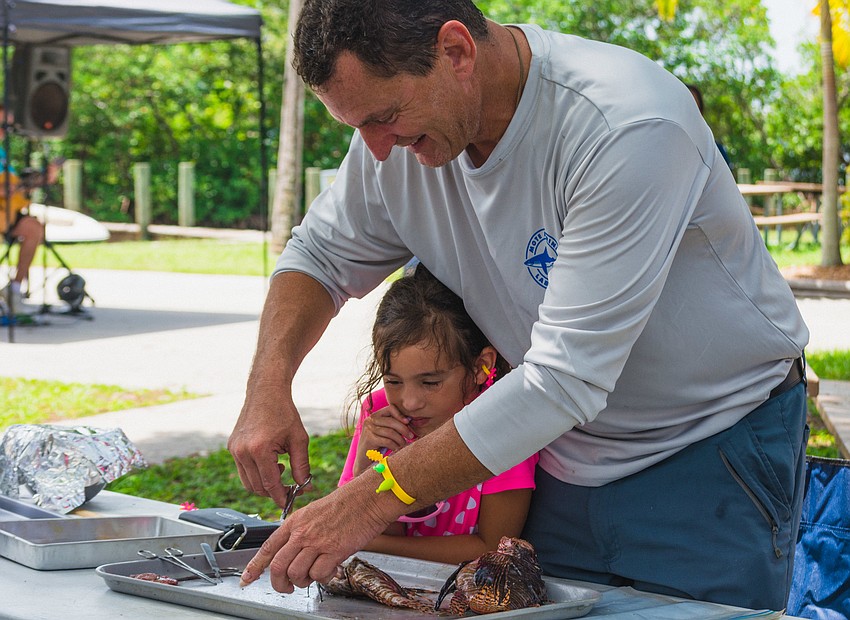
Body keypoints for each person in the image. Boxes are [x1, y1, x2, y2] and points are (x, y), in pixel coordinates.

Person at [231, 0, 809, 611]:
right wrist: (267, 388)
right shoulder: (393, 145)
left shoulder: (625, 123)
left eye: (385, 116)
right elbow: (319, 256)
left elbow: (565, 378)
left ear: (456, 51)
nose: (376, 150)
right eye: (359, 127)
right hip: (553, 456)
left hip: (708, 449)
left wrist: (373, 497)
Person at [339, 263, 538, 564]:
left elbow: (491, 550)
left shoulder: (505, 425)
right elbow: (357, 526)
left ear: (480, 366)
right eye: (393, 381)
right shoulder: (380, 413)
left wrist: (371, 544)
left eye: (430, 382)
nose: (409, 401)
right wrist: (366, 472)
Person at [0, 106, 51, 315]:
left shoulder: (3, 153)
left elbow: (14, 186)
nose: (5, 131)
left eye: (8, 126)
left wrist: (45, 178)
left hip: (7, 214)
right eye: (3, 125)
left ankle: (13, 290)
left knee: (34, 228)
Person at [687, 83, 732, 170]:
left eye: (696, 109)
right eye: (688, 108)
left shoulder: (715, 151)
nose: (692, 114)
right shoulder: (667, 149)